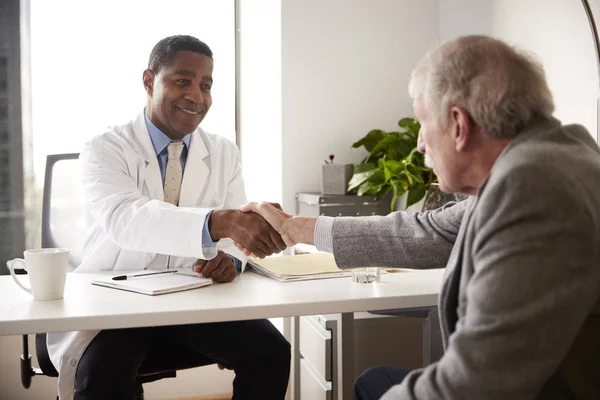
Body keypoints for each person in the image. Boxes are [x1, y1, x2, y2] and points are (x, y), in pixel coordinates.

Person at [240, 35, 600, 399]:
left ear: (458, 125)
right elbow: (428, 232)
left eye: (423, 124)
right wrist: (293, 227)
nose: (420, 145)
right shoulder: (542, 161)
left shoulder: (534, 188)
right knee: (373, 380)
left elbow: (477, 384)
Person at [47, 35, 290, 400]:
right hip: (117, 302)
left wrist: (232, 261)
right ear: (149, 81)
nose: (197, 96)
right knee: (104, 374)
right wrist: (218, 223)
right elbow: (127, 218)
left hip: (191, 297)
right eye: (183, 81)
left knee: (271, 351)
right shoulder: (106, 148)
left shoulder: (223, 152)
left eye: (206, 85)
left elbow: (234, 235)